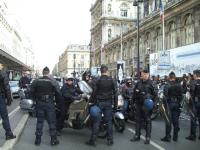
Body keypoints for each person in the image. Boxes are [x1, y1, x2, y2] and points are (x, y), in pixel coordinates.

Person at [86, 64, 118, 146]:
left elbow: (94, 92)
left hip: (99, 103)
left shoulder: (97, 80)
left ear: (100, 71)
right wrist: (115, 105)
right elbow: (115, 94)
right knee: (109, 121)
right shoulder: (112, 80)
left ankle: (93, 140)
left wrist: (91, 101)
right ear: (107, 71)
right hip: (108, 103)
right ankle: (110, 140)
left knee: (96, 121)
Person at [30, 67, 61, 146]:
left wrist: (35, 100)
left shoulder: (36, 81)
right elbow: (58, 93)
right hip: (49, 104)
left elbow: (31, 91)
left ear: (43, 72)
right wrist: (58, 103)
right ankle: (53, 140)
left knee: (40, 121)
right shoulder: (52, 81)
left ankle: (37, 140)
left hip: (39, 103)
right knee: (51, 122)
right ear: (48, 73)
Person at [131, 69, 156, 144]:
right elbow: (134, 94)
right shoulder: (138, 83)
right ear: (141, 75)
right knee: (137, 120)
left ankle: (147, 137)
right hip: (138, 104)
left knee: (148, 121)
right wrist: (132, 103)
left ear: (148, 75)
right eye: (143, 74)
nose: (144, 76)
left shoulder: (152, 84)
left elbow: (156, 95)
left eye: (146, 74)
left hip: (147, 106)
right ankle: (137, 135)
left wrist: (152, 103)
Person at [161, 71, 182, 142]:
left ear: (169, 77)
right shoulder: (179, 85)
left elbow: (165, 96)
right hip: (176, 104)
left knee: (168, 120)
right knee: (175, 120)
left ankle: (168, 137)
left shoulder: (167, 85)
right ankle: (175, 137)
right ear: (174, 77)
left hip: (169, 104)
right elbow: (181, 96)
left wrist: (164, 104)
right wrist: (178, 102)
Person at [0, 63, 16, 140]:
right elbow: (7, 88)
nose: (2, 66)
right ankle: (8, 134)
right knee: (4, 117)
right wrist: (9, 100)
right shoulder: (2, 74)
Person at [185, 70, 200, 141]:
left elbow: (190, 91)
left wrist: (188, 85)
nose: (193, 75)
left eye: (194, 74)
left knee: (193, 119)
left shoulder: (194, 82)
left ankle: (193, 135)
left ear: (196, 75)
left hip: (195, 103)